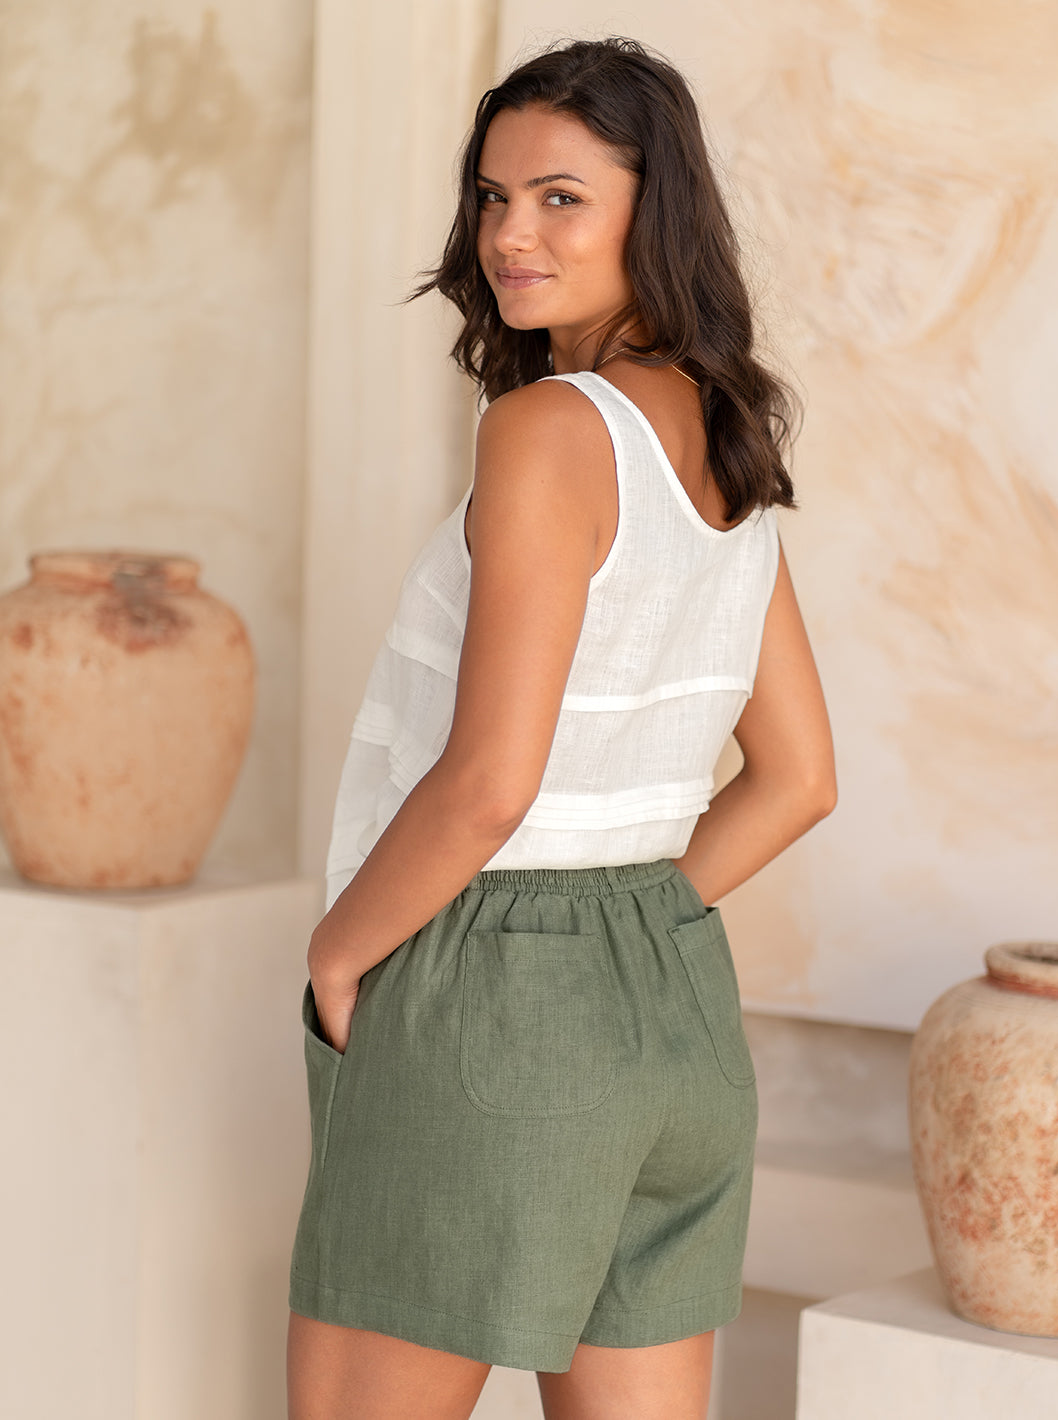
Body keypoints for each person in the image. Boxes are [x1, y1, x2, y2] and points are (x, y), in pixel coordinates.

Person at [287, 36, 835, 1420]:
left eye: (558, 197)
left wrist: (342, 945)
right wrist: (636, 928)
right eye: (490, 198)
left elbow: (488, 781)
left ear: (656, 212)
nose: (509, 235)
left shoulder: (545, 430)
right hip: (673, 1019)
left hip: (492, 996)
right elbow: (798, 779)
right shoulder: (722, 439)